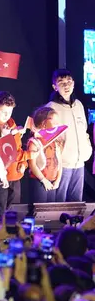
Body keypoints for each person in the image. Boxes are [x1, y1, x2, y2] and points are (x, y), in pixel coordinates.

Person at [46, 69, 92, 202]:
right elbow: (49, 138)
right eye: (61, 82)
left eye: (69, 82)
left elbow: (84, 130)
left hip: (79, 164)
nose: (66, 86)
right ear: (55, 86)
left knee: (76, 204)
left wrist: (87, 149)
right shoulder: (52, 107)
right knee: (60, 204)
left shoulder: (78, 105)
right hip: (63, 164)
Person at [0, 91, 27, 217]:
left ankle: (12, 234)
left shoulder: (12, 123)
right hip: (1, 175)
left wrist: (24, 163)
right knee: (0, 210)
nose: (6, 115)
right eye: (3, 112)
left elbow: (19, 148)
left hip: (15, 175)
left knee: (14, 211)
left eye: (10, 111)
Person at [27, 106, 63, 203]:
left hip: (52, 181)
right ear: (43, 123)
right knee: (40, 211)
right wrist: (44, 180)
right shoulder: (34, 142)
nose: (57, 125)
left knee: (50, 210)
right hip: (40, 181)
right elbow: (32, 164)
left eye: (58, 122)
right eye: (54, 122)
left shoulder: (55, 141)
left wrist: (58, 180)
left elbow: (59, 162)